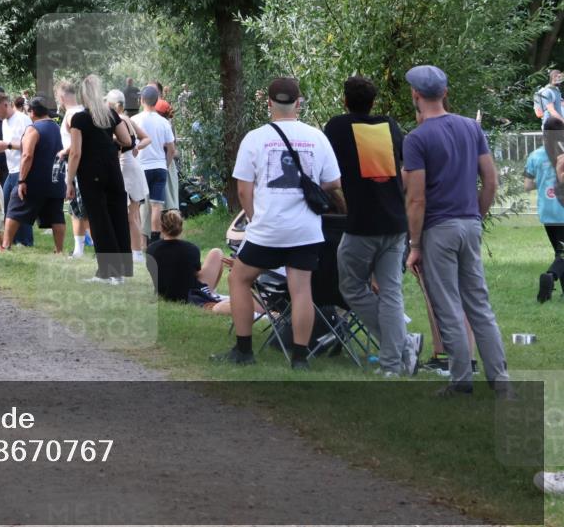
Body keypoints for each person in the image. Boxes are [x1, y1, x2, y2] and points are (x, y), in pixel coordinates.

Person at [211, 78, 342, 370]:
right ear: (299, 103)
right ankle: (299, 358)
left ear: (268, 103)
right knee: (301, 289)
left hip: (267, 229)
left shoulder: (255, 138)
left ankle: (244, 350)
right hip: (305, 229)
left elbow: (244, 190)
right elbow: (333, 182)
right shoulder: (316, 137)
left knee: (239, 279)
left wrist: (255, 219)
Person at [402, 65, 510, 396]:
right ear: (445, 93)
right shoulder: (470, 128)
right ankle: (501, 382)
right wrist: (476, 215)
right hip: (469, 224)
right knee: (479, 304)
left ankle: (461, 380)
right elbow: (491, 180)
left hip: (438, 230)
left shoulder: (416, 139)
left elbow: (416, 199)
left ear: (415, 95)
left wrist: (415, 244)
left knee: (448, 305)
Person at [324, 76, 421, 377]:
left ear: (344, 101)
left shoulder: (337, 127)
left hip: (362, 223)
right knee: (391, 291)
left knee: (351, 286)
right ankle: (395, 360)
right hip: (395, 222)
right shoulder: (389, 126)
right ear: (373, 102)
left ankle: (402, 345)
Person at [66, 77, 133, 281]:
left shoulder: (79, 119)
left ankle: (107, 272)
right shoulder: (110, 114)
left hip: (90, 174)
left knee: (99, 220)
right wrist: (109, 140)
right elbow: (127, 140)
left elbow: (75, 152)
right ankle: (120, 272)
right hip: (113, 171)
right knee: (118, 217)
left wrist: (69, 180)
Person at [3, 95, 66, 251]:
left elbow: (27, 155)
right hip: (56, 179)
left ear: (31, 111)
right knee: (56, 215)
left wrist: (22, 180)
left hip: (35, 180)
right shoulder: (56, 128)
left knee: (14, 209)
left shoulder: (34, 128)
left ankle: (5, 245)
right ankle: (59, 250)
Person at [147, 210, 232, 314]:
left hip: (164, 292)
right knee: (217, 253)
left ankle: (212, 293)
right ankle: (211, 293)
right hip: (188, 293)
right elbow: (196, 272)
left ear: (162, 227)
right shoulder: (191, 249)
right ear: (181, 227)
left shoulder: (151, 249)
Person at [107, 90, 151, 263]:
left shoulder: (120, 120)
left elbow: (124, 143)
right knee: (133, 213)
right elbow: (146, 139)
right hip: (131, 165)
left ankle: (136, 252)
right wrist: (136, 147)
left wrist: (131, 147)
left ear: (115, 105)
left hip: (126, 167)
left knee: (131, 214)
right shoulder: (128, 119)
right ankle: (136, 250)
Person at [524, 116, 564, 300]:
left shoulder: (535, 156)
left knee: (560, 251)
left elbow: (527, 185)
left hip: (547, 212)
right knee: (562, 253)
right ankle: (550, 276)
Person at [131, 85, 175, 243]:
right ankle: (155, 240)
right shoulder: (164, 122)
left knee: (138, 206)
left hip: (141, 167)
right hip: (159, 167)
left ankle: (141, 241)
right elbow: (171, 148)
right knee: (157, 206)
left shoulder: (134, 120)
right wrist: (166, 164)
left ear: (142, 100)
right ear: (157, 101)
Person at [0, 91, 34, 246]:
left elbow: (31, 144)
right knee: (8, 202)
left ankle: (25, 240)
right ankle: (14, 239)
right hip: (11, 169)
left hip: (23, 168)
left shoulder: (23, 119)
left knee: (19, 205)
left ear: (5, 105)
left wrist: (7, 145)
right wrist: (2, 147)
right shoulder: (4, 122)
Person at [56, 79, 92, 258]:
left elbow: (78, 144)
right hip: (89, 165)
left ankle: (79, 250)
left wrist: (64, 151)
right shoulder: (85, 111)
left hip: (76, 165)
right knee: (87, 208)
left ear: (62, 97)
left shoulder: (71, 115)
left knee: (76, 208)